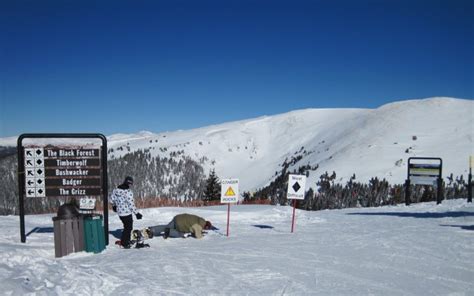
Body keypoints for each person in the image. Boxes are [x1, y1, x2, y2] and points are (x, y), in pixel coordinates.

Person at [110, 176, 143, 248]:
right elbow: (131, 204)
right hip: (127, 212)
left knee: (126, 226)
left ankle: (125, 239)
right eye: (130, 184)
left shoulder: (116, 190)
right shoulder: (128, 192)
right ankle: (125, 243)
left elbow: (111, 199)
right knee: (128, 228)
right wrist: (137, 213)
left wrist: (114, 206)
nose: (130, 185)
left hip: (120, 213)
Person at [148, 213, 212, 239]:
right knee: (180, 234)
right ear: (206, 226)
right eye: (206, 228)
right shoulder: (199, 225)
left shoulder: (199, 220)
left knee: (166, 226)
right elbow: (198, 236)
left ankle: (152, 229)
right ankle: (169, 232)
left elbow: (193, 227)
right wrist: (202, 234)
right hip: (180, 223)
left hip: (178, 218)